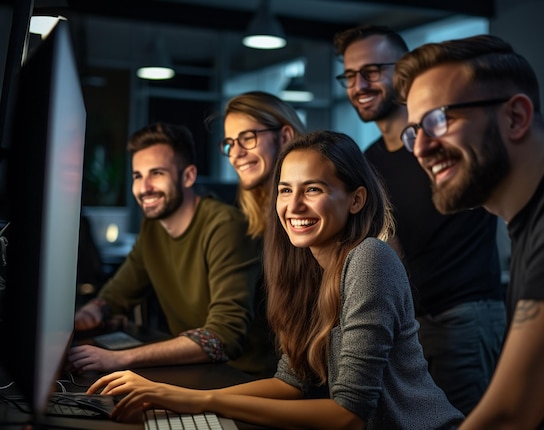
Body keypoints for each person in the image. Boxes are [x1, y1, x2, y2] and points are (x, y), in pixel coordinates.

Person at [86, 130, 464, 429]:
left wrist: (190, 399)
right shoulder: (308, 267)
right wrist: (174, 396)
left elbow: (348, 415)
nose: (293, 206)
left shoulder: (369, 258)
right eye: (286, 189)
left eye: (312, 189)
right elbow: (291, 383)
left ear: (356, 199)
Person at [395, 34, 544, 429]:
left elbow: (509, 414)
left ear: (515, 117)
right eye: (415, 131)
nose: (420, 149)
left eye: (439, 119)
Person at [333, 24, 505, 414]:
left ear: (403, 73)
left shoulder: (444, 140)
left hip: (461, 315)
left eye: (373, 71)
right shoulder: (370, 160)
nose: (359, 84)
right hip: (409, 326)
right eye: (349, 75)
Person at [69, 122, 277, 378]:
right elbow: (117, 294)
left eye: (156, 173)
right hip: (196, 370)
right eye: (137, 176)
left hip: (243, 377)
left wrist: (118, 359)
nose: (144, 188)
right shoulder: (153, 227)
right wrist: (92, 312)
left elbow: (224, 336)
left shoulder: (225, 226)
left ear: (188, 176)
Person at [207, 90, 306, 239]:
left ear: (284, 137)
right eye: (230, 144)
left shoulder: (310, 211)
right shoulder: (239, 218)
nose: (236, 154)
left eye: (247, 138)